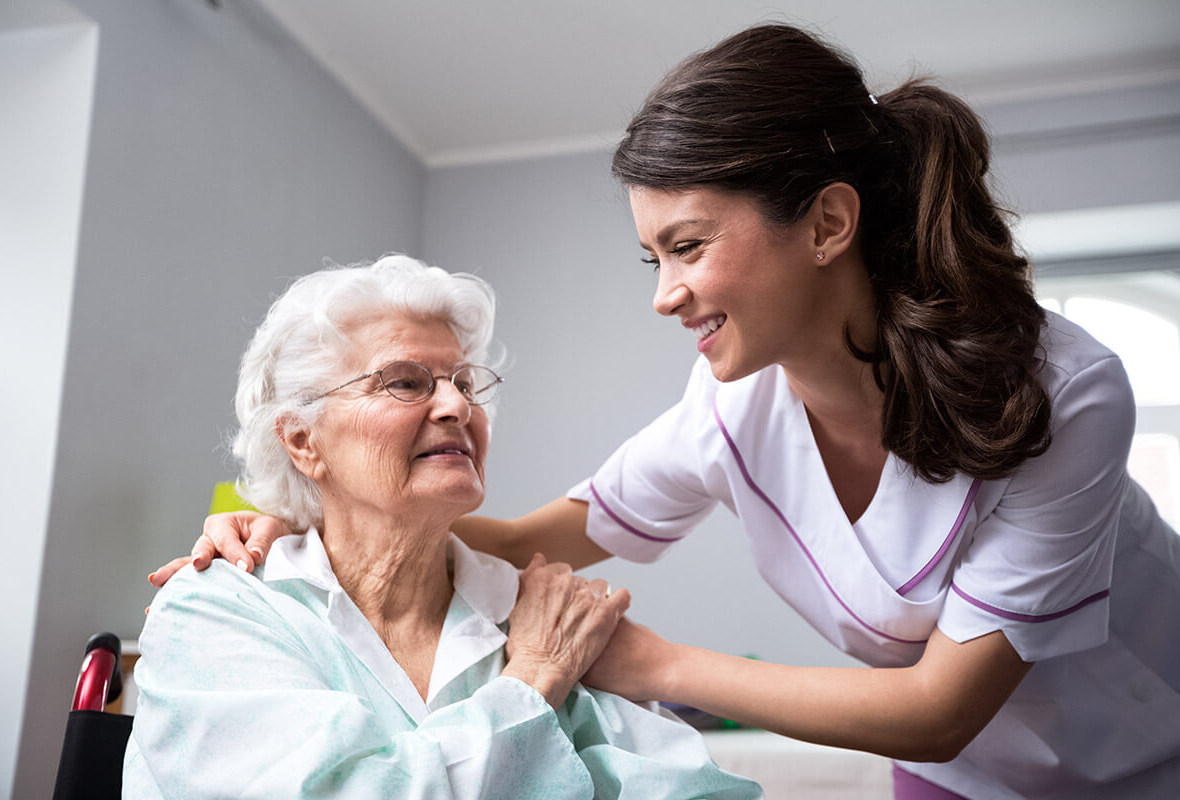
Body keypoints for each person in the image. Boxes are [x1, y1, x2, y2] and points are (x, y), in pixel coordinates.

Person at [155, 24, 1180, 800]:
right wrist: (299, 520)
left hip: (1139, 738)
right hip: (948, 769)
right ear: (301, 436)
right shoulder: (727, 403)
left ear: (827, 222)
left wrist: (641, 662)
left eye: (688, 246)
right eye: (654, 258)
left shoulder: (1063, 389)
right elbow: (518, 536)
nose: (664, 294)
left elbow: (940, 707)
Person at [125, 255, 762, 799]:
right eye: (405, 382)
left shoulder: (539, 610)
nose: (458, 404)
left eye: (464, 383)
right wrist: (533, 680)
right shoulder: (216, 610)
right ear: (302, 441)